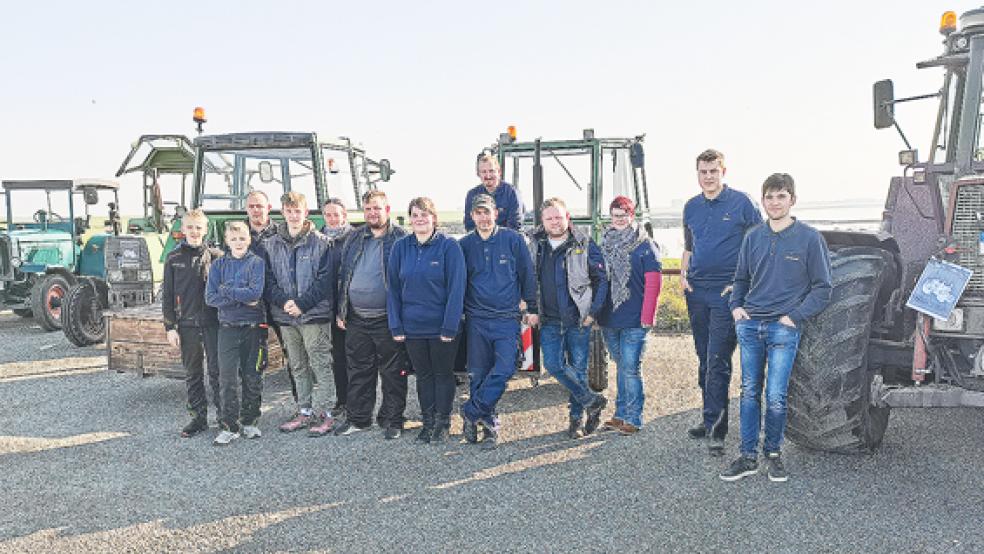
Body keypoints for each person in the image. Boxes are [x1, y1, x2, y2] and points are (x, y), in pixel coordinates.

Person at [720, 173, 832, 483]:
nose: (774, 202)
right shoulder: (753, 237)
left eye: (781, 196)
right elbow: (740, 279)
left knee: (776, 396)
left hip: (784, 328)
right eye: (769, 197)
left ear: (792, 200)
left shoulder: (809, 238)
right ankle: (747, 456)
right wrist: (737, 309)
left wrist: (794, 317)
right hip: (750, 324)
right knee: (748, 393)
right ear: (763, 201)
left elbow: (823, 288)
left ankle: (773, 454)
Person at [681, 149, 762, 454]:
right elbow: (689, 246)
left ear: (723, 172)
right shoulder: (691, 207)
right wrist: (683, 275)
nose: (708, 176)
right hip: (696, 291)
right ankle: (708, 418)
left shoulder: (742, 203)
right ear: (697, 173)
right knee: (704, 358)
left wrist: (742, 285)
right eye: (703, 171)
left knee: (717, 359)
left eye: (713, 171)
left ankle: (717, 429)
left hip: (726, 293)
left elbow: (759, 244)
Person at [458, 193, 537, 449]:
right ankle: (488, 424)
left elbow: (527, 273)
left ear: (496, 214)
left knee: (503, 370)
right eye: (478, 213)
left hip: (506, 318)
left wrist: (531, 305)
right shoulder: (465, 245)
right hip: (477, 319)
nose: (483, 217)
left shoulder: (513, 240)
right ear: (472, 216)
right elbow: (458, 281)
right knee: (478, 374)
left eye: (487, 212)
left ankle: (470, 411)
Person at [386, 197, 466, 445]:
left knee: (443, 374)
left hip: (442, 327)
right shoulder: (401, 248)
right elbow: (393, 289)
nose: (420, 219)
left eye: (425, 214)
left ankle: (442, 422)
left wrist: (450, 325)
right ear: (409, 219)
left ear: (434, 218)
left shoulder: (449, 247)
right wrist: (396, 324)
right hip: (412, 327)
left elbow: (457, 287)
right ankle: (427, 421)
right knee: (423, 375)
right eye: (415, 214)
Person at [530, 197, 610, 438]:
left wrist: (592, 313)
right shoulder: (534, 244)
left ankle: (576, 421)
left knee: (579, 369)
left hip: (578, 319)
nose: (554, 222)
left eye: (558, 217)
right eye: (549, 218)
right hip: (549, 320)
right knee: (554, 365)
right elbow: (525, 277)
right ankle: (592, 401)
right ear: (542, 222)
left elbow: (601, 280)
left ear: (568, 218)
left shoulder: (584, 243)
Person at [335, 190, 409, 439]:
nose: (372, 213)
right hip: (356, 317)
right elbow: (343, 276)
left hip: (387, 318)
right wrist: (342, 310)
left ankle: (393, 420)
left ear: (387, 210)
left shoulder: (400, 238)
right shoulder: (354, 238)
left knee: (392, 372)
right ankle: (358, 418)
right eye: (368, 209)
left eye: (377, 208)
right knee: (358, 370)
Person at [262, 191, 337, 437]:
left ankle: (326, 413)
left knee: (320, 363)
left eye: (298, 211)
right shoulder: (270, 244)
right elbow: (268, 280)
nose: (293, 216)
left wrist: (303, 304)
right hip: (286, 316)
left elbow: (325, 281)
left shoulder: (323, 243)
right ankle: (304, 410)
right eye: (289, 211)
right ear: (282, 212)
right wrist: (284, 302)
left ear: (306, 213)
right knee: (297, 365)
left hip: (314, 315)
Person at [598, 196, 662, 435]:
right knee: (621, 367)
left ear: (632, 215)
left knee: (631, 368)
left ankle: (634, 418)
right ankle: (620, 414)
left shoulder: (645, 245)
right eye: (615, 215)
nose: (619, 219)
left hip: (635, 319)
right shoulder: (605, 242)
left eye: (624, 215)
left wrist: (648, 317)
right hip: (609, 317)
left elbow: (654, 284)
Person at [161, 209, 222, 438]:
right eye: (190, 227)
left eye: (198, 228)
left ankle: (224, 416)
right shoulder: (174, 258)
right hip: (186, 324)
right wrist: (170, 327)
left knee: (218, 372)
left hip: (213, 323)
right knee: (193, 373)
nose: (194, 232)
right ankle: (198, 417)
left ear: (205, 230)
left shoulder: (217, 256)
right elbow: (167, 295)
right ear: (182, 230)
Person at [205, 221, 267, 446]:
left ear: (249, 240)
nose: (238, 242)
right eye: (234, 239)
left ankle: (250, 421)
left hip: (253, 328)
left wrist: (226, 291)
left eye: (242, 238)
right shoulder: (219, 266)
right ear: (227, 241)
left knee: (252, 376)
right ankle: (228, 425)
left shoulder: (257, 263)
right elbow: (211, 298)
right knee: (227, 378)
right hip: (228, 328)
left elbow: (256, 293)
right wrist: (243, 298)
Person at [321, 197, 354, 417]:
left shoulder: (355, 238)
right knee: (337, 356)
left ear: (345, 215)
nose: (333, 219)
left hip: (351, 305)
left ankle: (358, 402)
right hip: (326, 305)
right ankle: (342, 400)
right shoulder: (317, 239)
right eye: (328, 215)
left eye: (337, 214)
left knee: (356, 356)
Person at [463, 152, 523, 232]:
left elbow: (514, 225)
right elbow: (469, 225)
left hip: (506, 241)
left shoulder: (511, 193)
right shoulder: (472, 195)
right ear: (478, 174)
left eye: (491, 171)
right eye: (484, 172)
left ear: (499, 172)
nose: (488, 176)